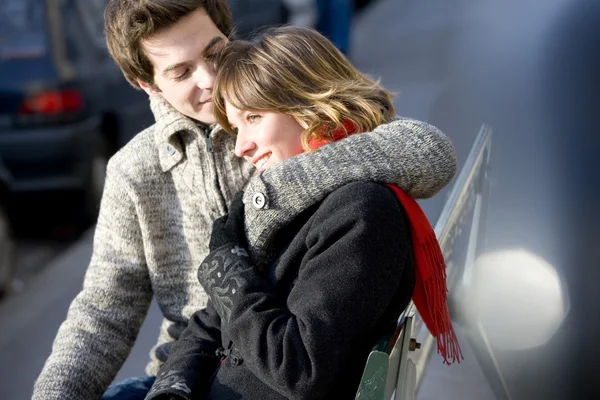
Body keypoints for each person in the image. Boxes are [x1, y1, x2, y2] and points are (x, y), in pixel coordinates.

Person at [32, 1, 457, 399]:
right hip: (181, 370)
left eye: (214, 52)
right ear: (147, 83)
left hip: (270, 368)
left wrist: (275, 189)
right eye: (181, 72)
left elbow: (428, 151)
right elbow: (103, 315)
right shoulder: (134, 171)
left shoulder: (284, 110)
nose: (208, 79)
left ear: (228, 34)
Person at [144, 25, 460, 400]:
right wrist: (171, 388)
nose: (240, 147)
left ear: (306, 104)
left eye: (254, 118)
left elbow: (300, 369)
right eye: (235, 126)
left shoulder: (361, 213)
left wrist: (229, 271)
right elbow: (211, 322)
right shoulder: (284, 205)